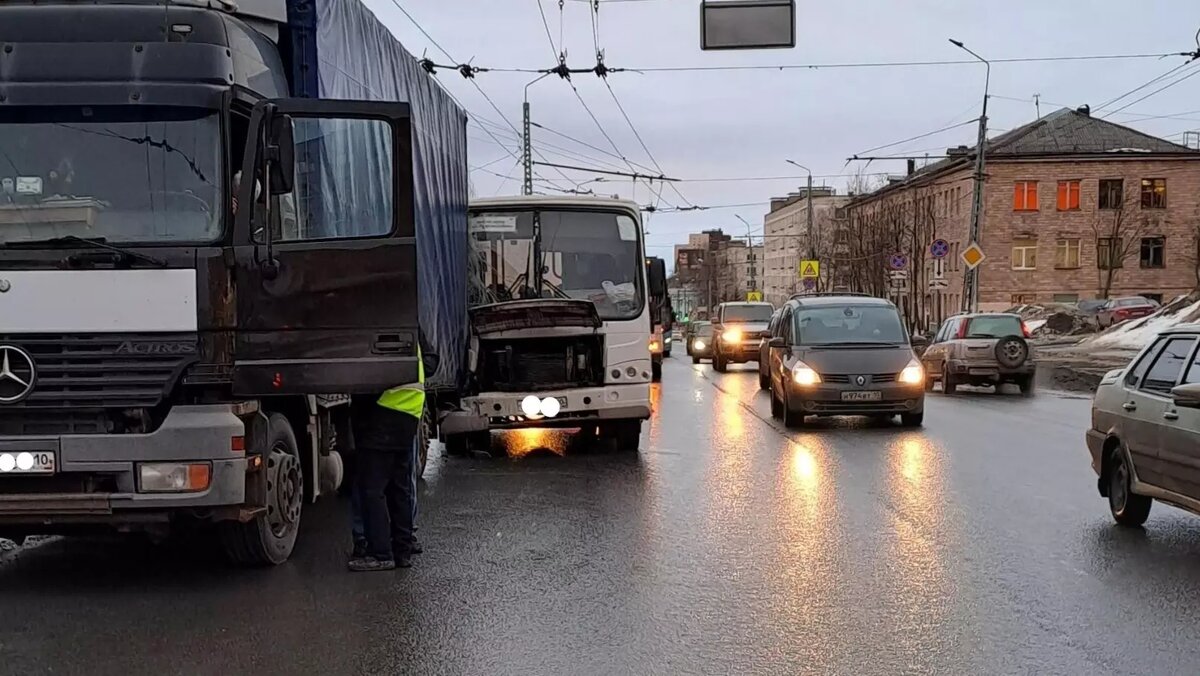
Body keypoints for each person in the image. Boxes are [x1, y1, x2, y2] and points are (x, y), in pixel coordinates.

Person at [346, 331, 435, 572]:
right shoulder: (407, 325)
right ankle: (402, 552)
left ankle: (381, 553)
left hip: (381, 416)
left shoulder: (378, 325)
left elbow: (369, 378)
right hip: (408, 414)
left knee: (373, 490)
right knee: (400, 489)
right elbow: (430, 361)